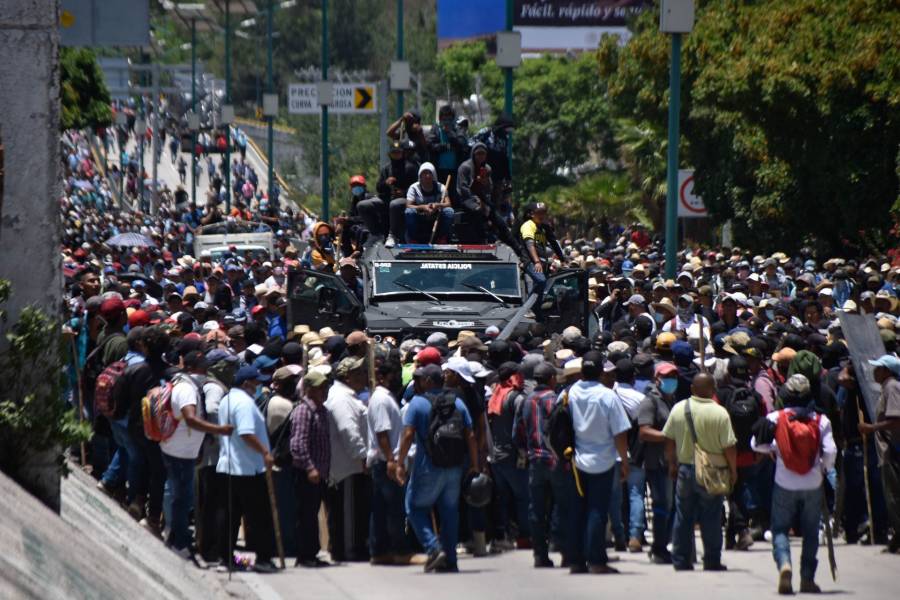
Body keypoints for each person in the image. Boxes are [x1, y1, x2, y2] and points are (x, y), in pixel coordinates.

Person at [751, 373, 837, 594]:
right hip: (813, 483)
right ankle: (807, 578)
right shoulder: (820, 420)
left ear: (786, 393)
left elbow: (756, 444)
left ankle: (784, 563)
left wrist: (774, 451)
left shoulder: (776, 418)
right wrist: (823, 468)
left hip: (784, 481)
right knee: (810, 531)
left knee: (779, 528)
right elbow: (830, 452)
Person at [395, 363, 479, 573]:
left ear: (428, 381)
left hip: (427, 466)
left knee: (414, 507)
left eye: (422, 379)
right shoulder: (458, 403)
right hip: (454, 467)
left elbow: (407, 435)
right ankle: (450, 560)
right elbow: (470, 435)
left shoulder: (417, 403)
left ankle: (434, 549)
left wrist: (399, 463)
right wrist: (475, 465)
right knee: (450, 512)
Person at [160, 349, 233, 557]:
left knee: (181, 497)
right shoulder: (186, 389)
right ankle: (180, 543)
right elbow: (191, 419)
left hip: (184, 449)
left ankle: (175, 536)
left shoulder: (189, 384)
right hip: (179, 451)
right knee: (183, 498)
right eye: (202, 367)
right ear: (192, 368)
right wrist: (218, 430)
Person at [663, 373, 737, 571]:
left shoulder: (679, 408)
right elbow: (729, 446)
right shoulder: (720, 413)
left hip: (685, 469)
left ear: (692, 389)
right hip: (713, 471)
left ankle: (680, 559)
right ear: (713, 390)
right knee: (711, 517)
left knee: (683, 515)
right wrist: (733, 470)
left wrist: (671, 463)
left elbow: (668, 440)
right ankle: (712, 560)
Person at [566, 351, 632, 574]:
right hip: (603, 461)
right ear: (602, 372)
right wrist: (624, 461)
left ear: (582, 371)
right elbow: (620, 433)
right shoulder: (608, 396)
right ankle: (596, 560)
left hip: (575, 461)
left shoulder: (570, 393)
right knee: (597, 511)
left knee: (577, 511)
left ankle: (575, 560)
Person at [216, 365, 278, 573]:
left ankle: (226, 558)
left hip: (230, 466)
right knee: (259, 517)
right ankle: (263, 559)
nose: (259, 386)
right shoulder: (243, 403)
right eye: (256, 383)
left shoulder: (227, 400)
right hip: (247, 469)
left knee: (231, 516)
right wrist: (265, 452)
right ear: (246, 384)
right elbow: (245, 433)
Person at [514, 361, 574, 568]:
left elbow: (518, 433)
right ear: (551, 379)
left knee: (537, 510)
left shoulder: (525, 401)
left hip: (535, 461)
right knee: (562, 506)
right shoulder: (556, 400)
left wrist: (528, 451)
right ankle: (566, 552)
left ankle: (540, 555)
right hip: (556, 461)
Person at [324, 356, 370, 562]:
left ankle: (348, 548)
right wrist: (362, 457)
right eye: (359, 373)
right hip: (348, 468)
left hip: (349, 466)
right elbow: (348, 431)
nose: (364, 377)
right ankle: (349, 550)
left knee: (350, 510)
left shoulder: (348, 396)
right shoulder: (342, 399)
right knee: (348, 511)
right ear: (347, 377)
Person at [366, 359, 411, 564]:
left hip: (385, 461)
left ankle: (381, 551)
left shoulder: (384, 397)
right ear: (383, 377)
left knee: (383, 509)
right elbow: (382, 432)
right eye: (394, 374)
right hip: (386, 462)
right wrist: (392, 461)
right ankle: (398, 551)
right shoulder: (382, 400)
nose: (397, 378)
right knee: (393, 509)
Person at [637, 362, 679, 564]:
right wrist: (668, 436)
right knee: (662, 505)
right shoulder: (650, 402)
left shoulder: (671, 400)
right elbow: (644, 431)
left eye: (674, 376)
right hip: (657, 462)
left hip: (671, 461)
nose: (672, 380)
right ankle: (659, 547)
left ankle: (663, 545)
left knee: (670, 505)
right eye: (667, 376)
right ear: (657, 379)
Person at [290, 369, 332, 567]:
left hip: (320, 473)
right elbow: (298, 444)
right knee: (305, 515)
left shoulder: (320, 410)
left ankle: (311, 553)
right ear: (309, 390)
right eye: (320, 388)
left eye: (325, 387)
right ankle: (304, 555)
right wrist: (310, 468)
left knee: (312, 514)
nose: (324, 391)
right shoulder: (303, 411)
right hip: (307, 473)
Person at [487, 362, 531, 549]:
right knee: (522, 497)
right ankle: (524, 536)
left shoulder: (496, 394)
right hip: (513, 455)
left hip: (496, 455)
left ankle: (502, 535)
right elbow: (520, 428)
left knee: (503, 497)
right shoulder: (517, 398)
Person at [860, 354, 900, 554]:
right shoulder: (887, 388)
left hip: (891, 451)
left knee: (894, 497)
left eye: (878, 368)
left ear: (887, 371)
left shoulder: (892, 387)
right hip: (887, 451)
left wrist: (871, 427)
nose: (875, 371)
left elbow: (895, 420)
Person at [519, 202, 564, 300]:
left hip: (543, 262)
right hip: (531, 261)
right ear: (531, 214)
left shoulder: (545, 227)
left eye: (544, 212)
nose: (542, 215)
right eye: (539, 213)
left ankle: (537, 312)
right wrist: (537, 262)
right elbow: (529, 245)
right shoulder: (528, 225)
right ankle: (528, 306)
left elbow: (554, 243)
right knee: (541, 281)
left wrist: (563, 259)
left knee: (542, 290)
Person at [405, 162, 452, 244]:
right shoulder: (414, 188)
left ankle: (442, 238)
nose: (427, 176)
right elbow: (408, 205)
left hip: (436, 215)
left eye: (429, 173)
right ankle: (413, 239)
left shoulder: (441, 187)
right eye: (424, 173)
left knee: (449, 211)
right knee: (409, 212)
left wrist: (437, 205)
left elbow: (448, 204)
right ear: (420, 175)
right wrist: (423, 207)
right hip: (420, 215)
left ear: (433, 175)